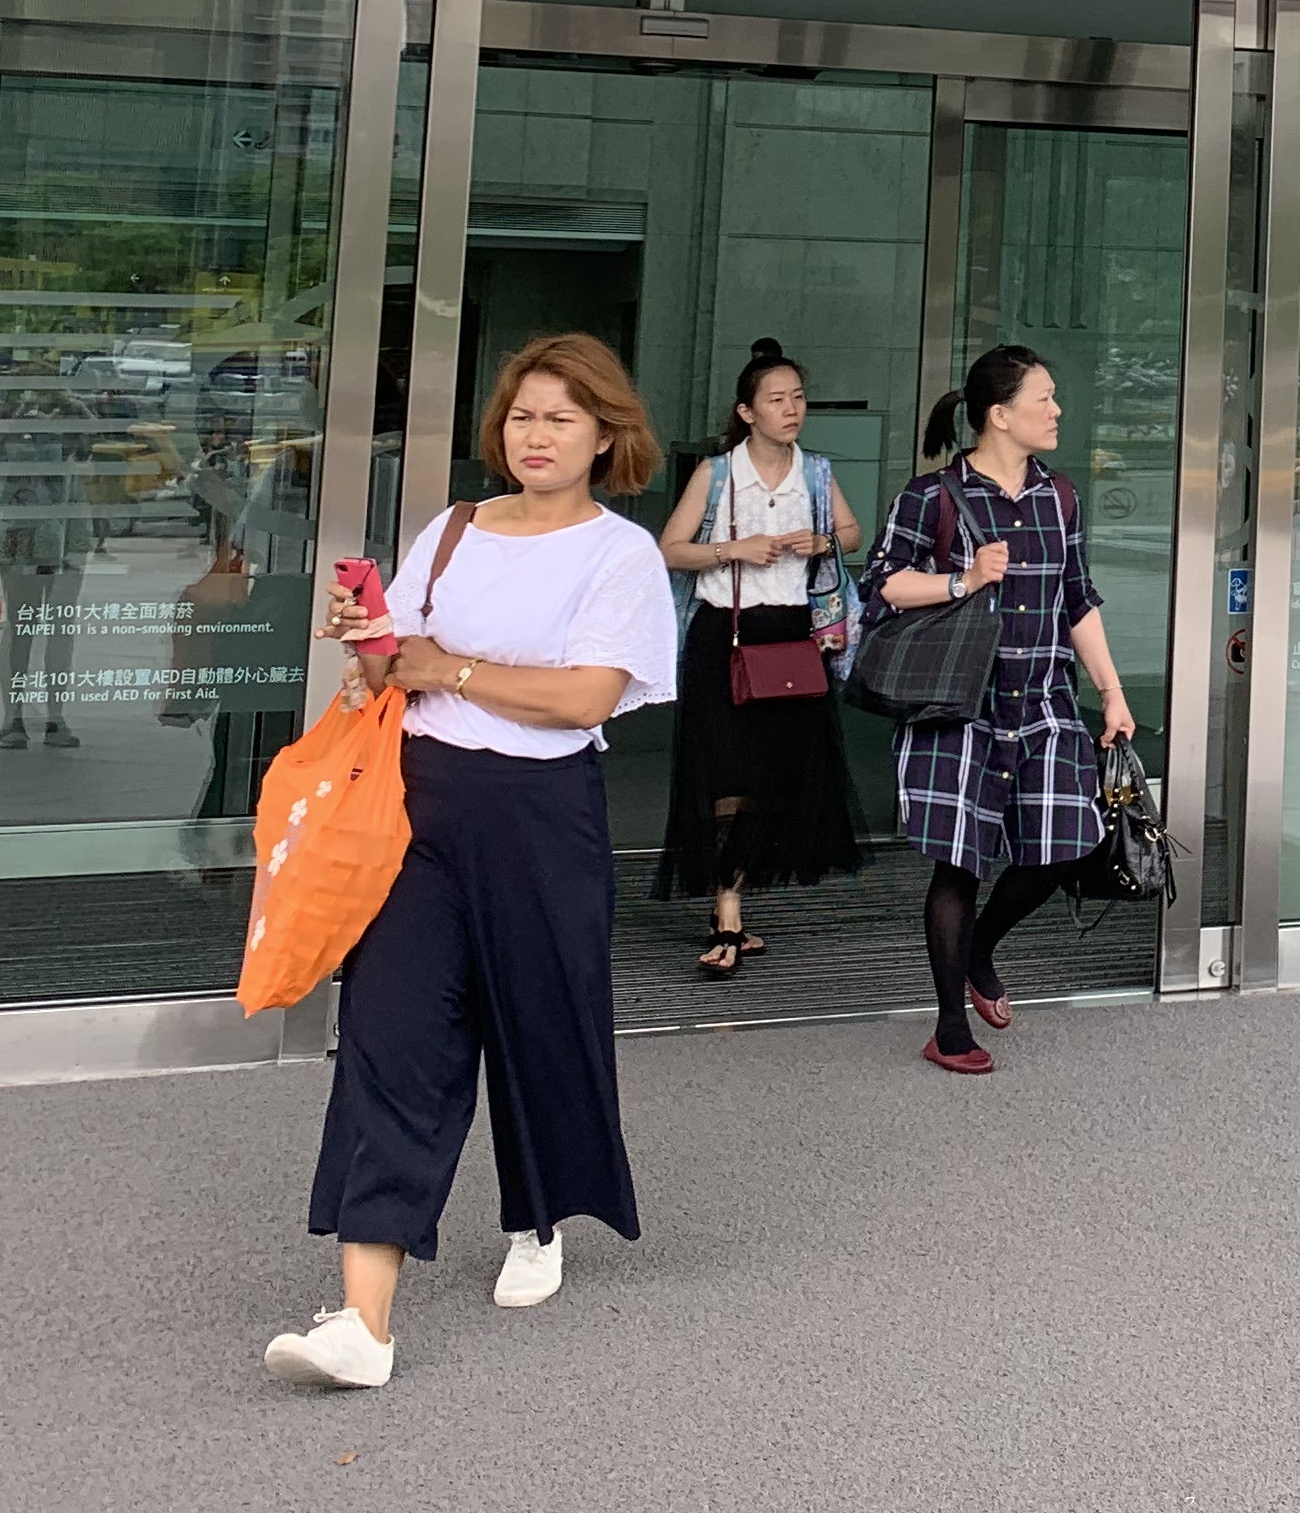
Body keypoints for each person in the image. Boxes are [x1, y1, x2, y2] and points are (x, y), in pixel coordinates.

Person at [266, 333, 683, 1391]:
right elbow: (388, 669)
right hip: (417, 807)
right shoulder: (453, 528)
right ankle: (363, 1321)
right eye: (522, 416)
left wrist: (447, 666)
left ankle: (538, 1217)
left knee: (538, 1024)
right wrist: (367, 641)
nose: (537, 435)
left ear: (606, 436)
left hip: (540, 813)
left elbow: (586, 697)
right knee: (390, 1038)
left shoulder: (619, 553)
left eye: (562, 418)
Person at [874, 344, 1136, 1073]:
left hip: (1045, 701)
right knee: (959, 864)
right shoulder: (933, 496)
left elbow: (1078, 600)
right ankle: (949, 1028)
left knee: (1066, 843)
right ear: (999, 414)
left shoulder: (1061, 497)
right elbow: (882, 586)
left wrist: (1112, 693)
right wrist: (961, 580)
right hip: (960, 706)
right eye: (1043, 399)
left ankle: (980, 948)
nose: (1057, 411)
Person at [653, 338, 867, 973]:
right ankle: (727, 912)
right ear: (747, 412)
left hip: (792, 637)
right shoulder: (718, 473)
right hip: (723, 636)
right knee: (726, 777)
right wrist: (734, 550)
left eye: (798, 397)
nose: (791, 409)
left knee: (777, 776)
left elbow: (853, 533)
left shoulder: (816, 472)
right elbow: (669, 548)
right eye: (776, 400)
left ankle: (736, 897)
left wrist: (823, 541)